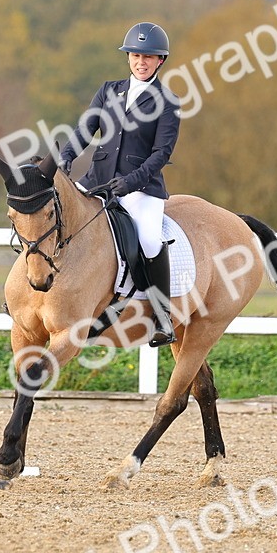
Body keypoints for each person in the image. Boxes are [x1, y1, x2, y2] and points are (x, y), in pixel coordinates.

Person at [59, 22, 181, 347]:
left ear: (160, 61)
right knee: (58, 221)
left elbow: (161, 154)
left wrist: (129, 183)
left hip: (142, 189)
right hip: (97, 182)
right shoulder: (109, 90)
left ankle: (162, 317)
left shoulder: (167, 102)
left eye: (149, 57)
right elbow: (86, 129)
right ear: (129, 57)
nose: (141, 62)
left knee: (150, 241)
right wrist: (66, 158)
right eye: (136, 55)